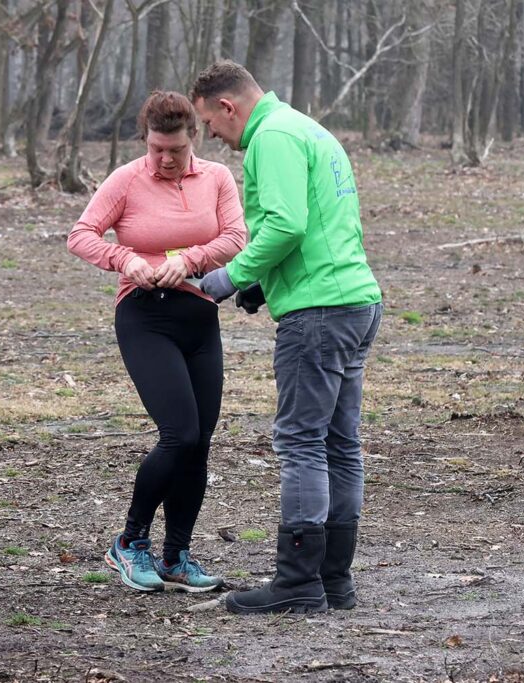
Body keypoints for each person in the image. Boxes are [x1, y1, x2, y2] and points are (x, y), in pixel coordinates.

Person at [190, 61, 383, 615]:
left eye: (209, 122)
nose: (212, 137)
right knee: (340, 444)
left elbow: (286, 225)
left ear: (227, 106)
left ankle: (297, 583)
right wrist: (267, 283)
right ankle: (333, 581)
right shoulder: (308, 129)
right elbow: (322, 223)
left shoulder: (270, 138)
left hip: (318, 314)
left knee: (301, 442)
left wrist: (232, 278)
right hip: (355, 300)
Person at [68, 91, 248, 593]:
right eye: (156, 149)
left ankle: (176, 556)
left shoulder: (215, 178)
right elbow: (81, 234)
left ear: (193, 138)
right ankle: (130, 543)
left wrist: (189, 260)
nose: (165, 159)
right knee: (180, 434)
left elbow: (236, 237)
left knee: (199, 444)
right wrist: (124, 260)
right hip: (145, 317)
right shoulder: (127, 179)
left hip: (199, 318)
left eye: (175, 149)